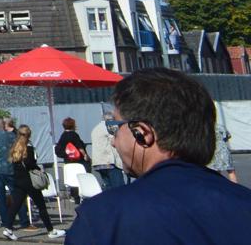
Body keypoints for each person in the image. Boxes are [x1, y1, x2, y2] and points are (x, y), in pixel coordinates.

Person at [67, 68, 251, 244]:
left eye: (114, 128)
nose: (113, 141)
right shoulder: (243, 203)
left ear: (142, 133)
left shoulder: (102, 218)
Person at [8, 122, 60, 239]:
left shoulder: (15, 147)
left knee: (16, 205)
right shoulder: (29, 147)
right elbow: (29, 164)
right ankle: (51, 230)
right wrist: (38, 169)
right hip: (29, 180)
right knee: (41, 205)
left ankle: (8, 228)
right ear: (29, 135)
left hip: (18, 179)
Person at [88, 111, 127, 187]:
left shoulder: (95, 128)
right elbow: (114, 141)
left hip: (98, 163)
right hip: (109, 162)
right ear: (110, 120)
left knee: (108, 186)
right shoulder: (108, 127)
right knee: (119, 187)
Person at [209, 105, 237, 184]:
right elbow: (228, 136)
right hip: (224, 151)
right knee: (231, 171)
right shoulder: (220, 127)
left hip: (213, 152)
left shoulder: (207, 128)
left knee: (216, 171)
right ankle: (235, 186)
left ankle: (218, 186)